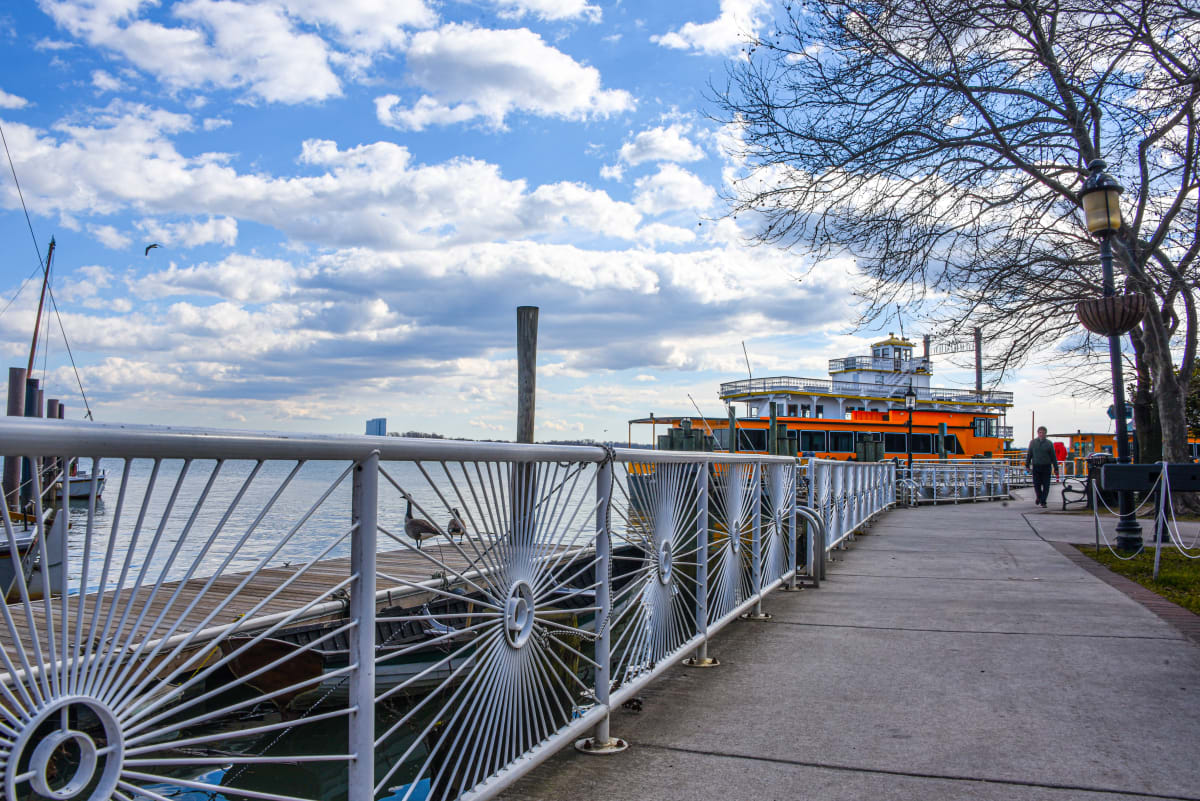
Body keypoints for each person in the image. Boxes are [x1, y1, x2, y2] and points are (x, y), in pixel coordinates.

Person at [1025, 426, 1060, 507]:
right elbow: (1029, 454)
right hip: (1036, 466)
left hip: (1046, 467)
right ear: (1038, 433)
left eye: (1043, 433)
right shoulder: (1033, 442)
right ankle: (1039, 497)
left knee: (1046, 485)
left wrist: (1056, 468)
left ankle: (1043, 502)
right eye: (1040, 432)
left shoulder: (1049, 443)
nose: (1041, 434)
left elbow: (1053, 456)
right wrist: (1027, 465)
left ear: (1045, 434)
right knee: (1036, 485)